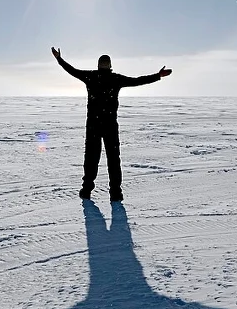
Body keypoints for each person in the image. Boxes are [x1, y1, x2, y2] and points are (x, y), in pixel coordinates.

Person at [51, 47, 171, 201]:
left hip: (94, 125)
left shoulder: (91, 77)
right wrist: (158, 76)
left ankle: (88, 190)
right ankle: (115, 193)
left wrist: (59, 59)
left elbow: (72, 70)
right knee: (112, 159)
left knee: (92, 158)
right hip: (109, 125)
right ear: (110, 65)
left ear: (99, 65)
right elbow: (137, 81)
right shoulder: (115, 79)